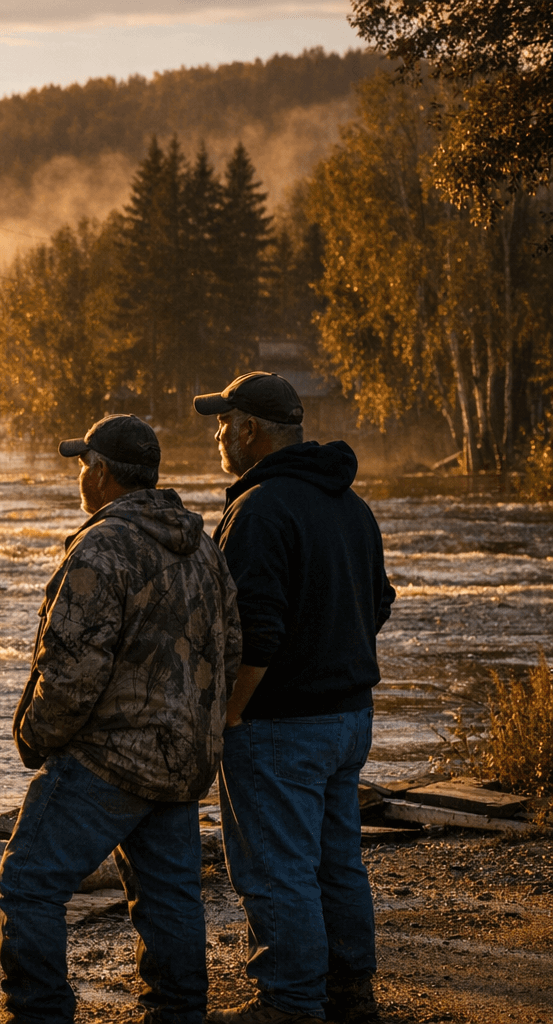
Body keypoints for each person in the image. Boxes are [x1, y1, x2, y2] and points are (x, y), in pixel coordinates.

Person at [0, 413, 241, 1024]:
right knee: (170, 898)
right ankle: (179, 1012)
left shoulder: (101, 547)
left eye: (84, 466)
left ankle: (41, 1013)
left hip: (107, 760)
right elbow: (231, 647)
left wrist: (34, 736)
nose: (81, 477)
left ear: (102, 474)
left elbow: (72, 668)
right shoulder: (203, 546)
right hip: (183, 760)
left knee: (27, 886)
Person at [195, 373, 396, 1024]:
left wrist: (230, 712)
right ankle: (349, 994)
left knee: (276, 870)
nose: (218, 433)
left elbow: (256, 630)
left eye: (224, 422)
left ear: (252, 429)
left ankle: (289, 1003)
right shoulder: (349, 505)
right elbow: (379, 602)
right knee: (336, 862)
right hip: (348, 716)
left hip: (279, 724)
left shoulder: (257, 511)